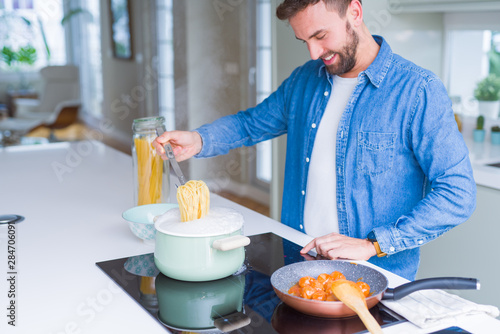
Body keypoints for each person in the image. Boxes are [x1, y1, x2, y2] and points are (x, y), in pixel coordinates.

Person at [154, 0, 476, 280]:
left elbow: (457, 193)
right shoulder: (304, 80)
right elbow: (250, 124)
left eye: (320, 36)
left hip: (375, 277)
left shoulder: (417, 91)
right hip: (299, 264)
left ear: (354, 12)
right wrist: (198, 139)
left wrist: (373, 244)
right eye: (303, 40)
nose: (314, 52)